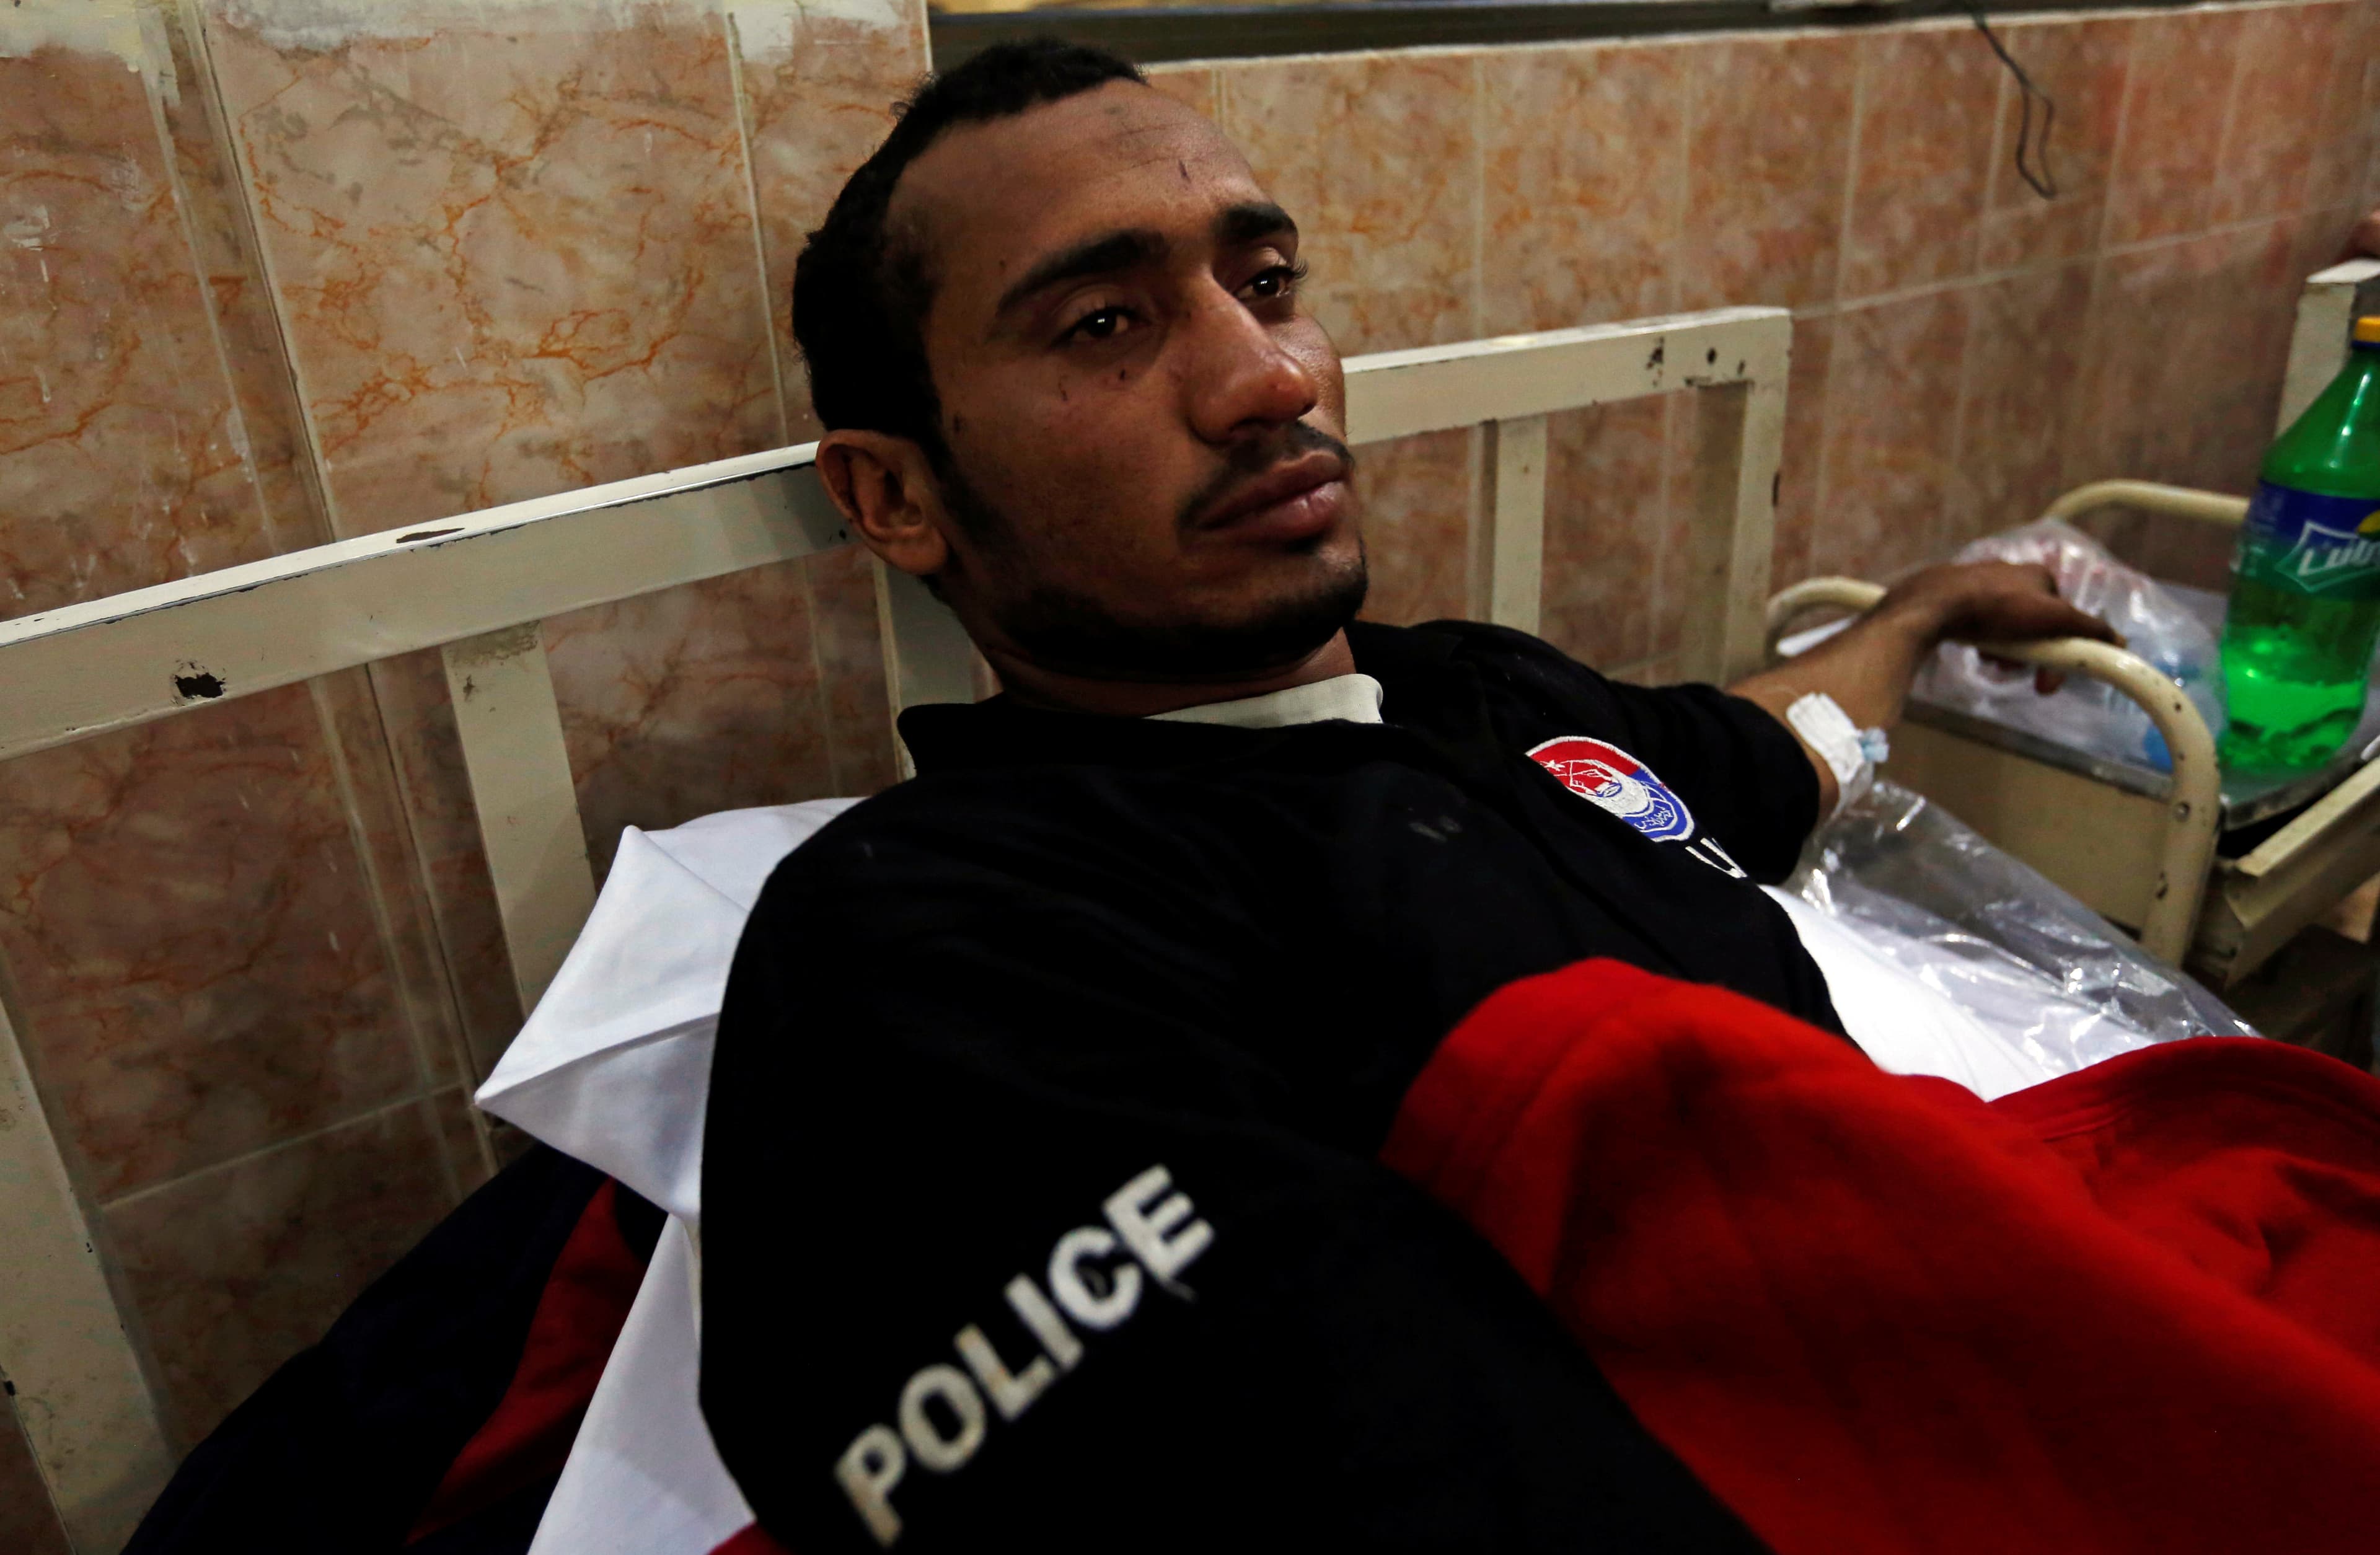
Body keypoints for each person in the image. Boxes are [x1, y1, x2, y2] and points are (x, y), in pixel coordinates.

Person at [698, 38, 2118, 1553]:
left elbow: (1765, 750)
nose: (1274, 375)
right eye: (1106, 321)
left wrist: (1925, 610)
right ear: (894, 494)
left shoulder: (1484, 697)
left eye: (1267, 282)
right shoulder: (944, 926)